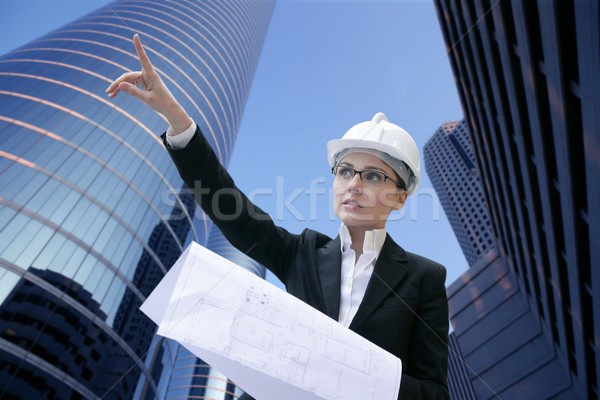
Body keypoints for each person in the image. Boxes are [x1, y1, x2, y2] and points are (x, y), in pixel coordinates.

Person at [107, 34, 449, 400]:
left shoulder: (424, 278)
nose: (353, 185)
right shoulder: (303, 253)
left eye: (374, 176)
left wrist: (355, 371)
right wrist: (174, 116)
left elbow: (433, 393)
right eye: (345, 170)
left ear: (400, 197)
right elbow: (235, 213)